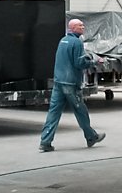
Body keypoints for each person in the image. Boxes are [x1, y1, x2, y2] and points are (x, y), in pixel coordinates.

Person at [39, 18, 105, 152]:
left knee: (54, 112)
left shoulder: (63, 41)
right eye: (80, 25)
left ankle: (45, 142)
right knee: (81, 111)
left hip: (59, 82)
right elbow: (79, 63)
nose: (83, 27)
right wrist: (95, 62)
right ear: (73, 28)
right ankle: (91, 136)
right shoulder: (77, 42)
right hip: (70, 83)